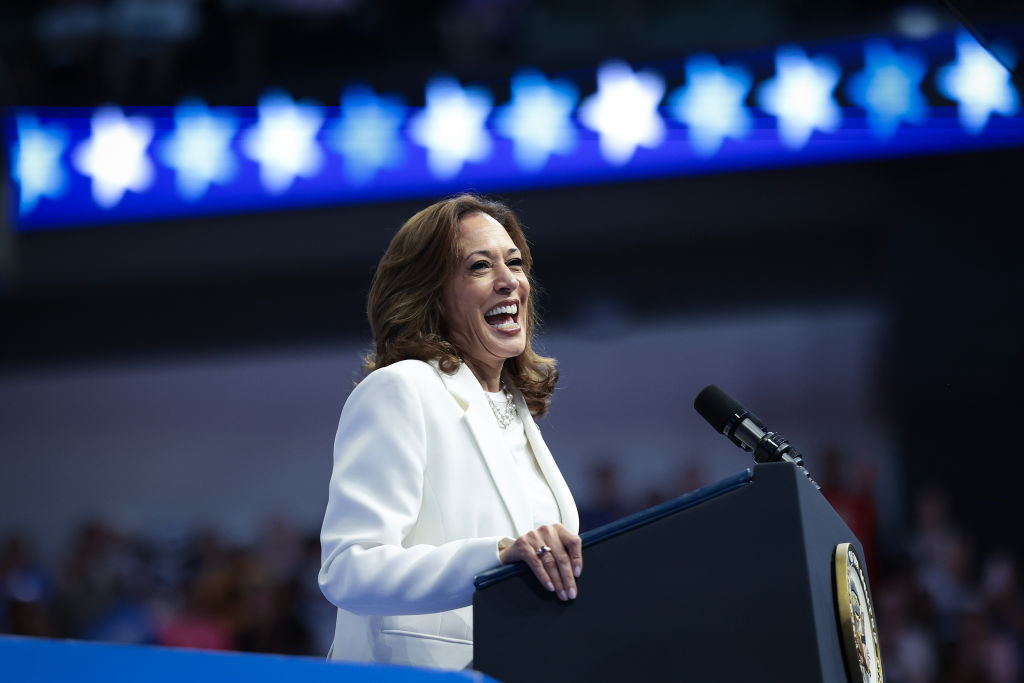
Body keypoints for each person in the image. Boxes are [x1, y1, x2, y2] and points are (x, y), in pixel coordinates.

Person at [318, 194, 581, 670]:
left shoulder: (516, 408)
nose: (509, 282)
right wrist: (495, 557)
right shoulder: (401, 389)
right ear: (431, 293)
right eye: (480, 266)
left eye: (515, 263)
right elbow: (348, 569)